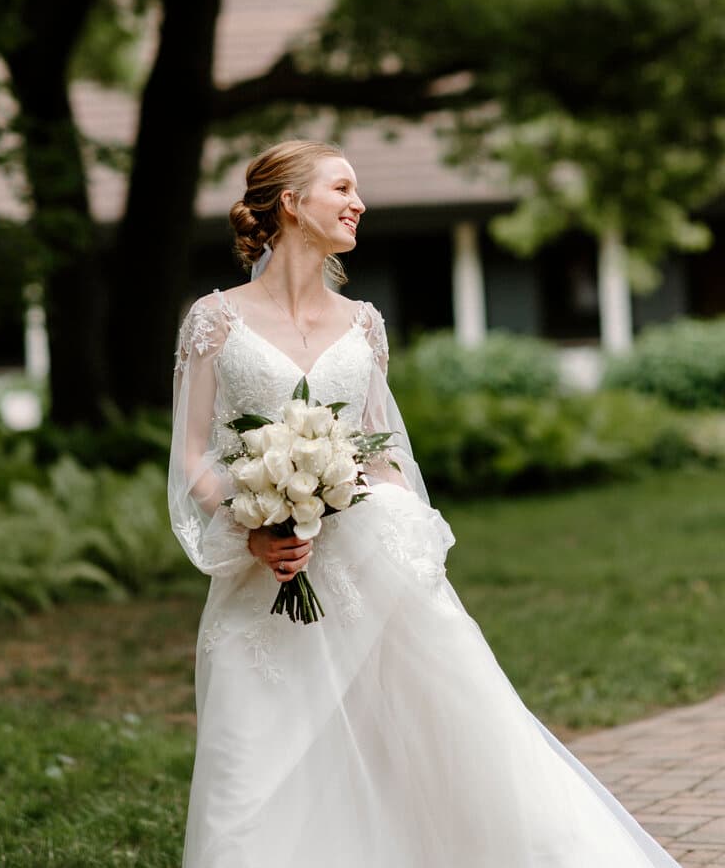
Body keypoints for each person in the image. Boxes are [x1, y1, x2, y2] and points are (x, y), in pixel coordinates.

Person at [169, 138, 683, 868]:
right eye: (342, 186)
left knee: (435, 747)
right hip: (264, 581)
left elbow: (381, 450)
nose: (359, 202)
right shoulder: (215, 319)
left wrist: (408, 548)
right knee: (256, 766)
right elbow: (194, 456)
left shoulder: (364, 324)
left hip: (375, 573)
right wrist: (254, 524)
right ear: (290, 203)